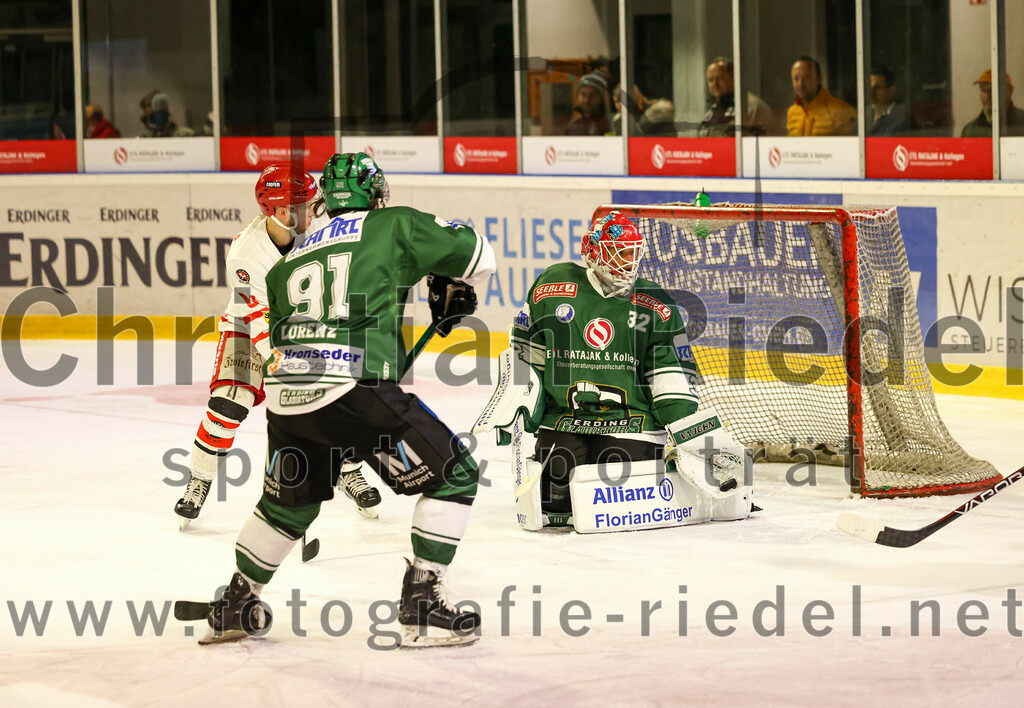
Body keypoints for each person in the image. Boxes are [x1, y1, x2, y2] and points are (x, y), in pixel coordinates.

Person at [194, 152, 496, 647]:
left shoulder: (288, 258)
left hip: (288, 401)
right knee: (455, 475)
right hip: (354, 388)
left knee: (284, 508)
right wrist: (452, 286)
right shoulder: (391, 224)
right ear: (374, 195)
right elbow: (481, 256)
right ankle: (422, 599)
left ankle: (237, 602)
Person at [475, 210, 753, 529]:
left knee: (618, 491)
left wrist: (687, 429)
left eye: (632, 254)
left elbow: (668, 373)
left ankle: (665, 462)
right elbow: (526, 351)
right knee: (556, 499)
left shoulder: (654, 302)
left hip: (632, 422)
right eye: (618, 253)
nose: (626, 263)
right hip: (566, 419)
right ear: (592, 253)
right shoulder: (552, 286)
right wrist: (520, 408)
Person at [174, 163, 381, 528]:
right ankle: (199, 480)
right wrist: (282, 364)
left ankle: (348, 470)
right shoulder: (244, 255)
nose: (313, 208)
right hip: (248, 325)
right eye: (303, 203)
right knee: (228, 404)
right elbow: (256, 318)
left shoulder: (318, 228)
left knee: (340, 397)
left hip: (308, 322)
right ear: (279, 212)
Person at [698, 57, 775, 137]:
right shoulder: (713, 110)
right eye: (711, 80)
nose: (715, 84)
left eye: (720, 78)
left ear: (733, 79)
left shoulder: (753, 107)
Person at [786, 56, 856, 136]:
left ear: (819, 79)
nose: (800, 84)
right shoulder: (792, 112)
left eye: (807, 78)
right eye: (796, 78)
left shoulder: (841, 110)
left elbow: (850, 146)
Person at [961, 69, 1024, 138]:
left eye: (993, 89)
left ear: (1010, 91)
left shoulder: (1021, 124)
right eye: (983, 89)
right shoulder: (970, 131)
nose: (987, 96)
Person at [868, 67, 911, 136]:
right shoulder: (863, 117)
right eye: (869, 88)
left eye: (878, 88)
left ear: (891, 90)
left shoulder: (901, 121)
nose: (872, 93)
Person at [566, 72, 611, 136]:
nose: (586, 100)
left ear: (601, 99)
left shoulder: (610, 124)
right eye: (583, 94)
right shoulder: (573, 126)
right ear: (577, 96)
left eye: (593, 95)